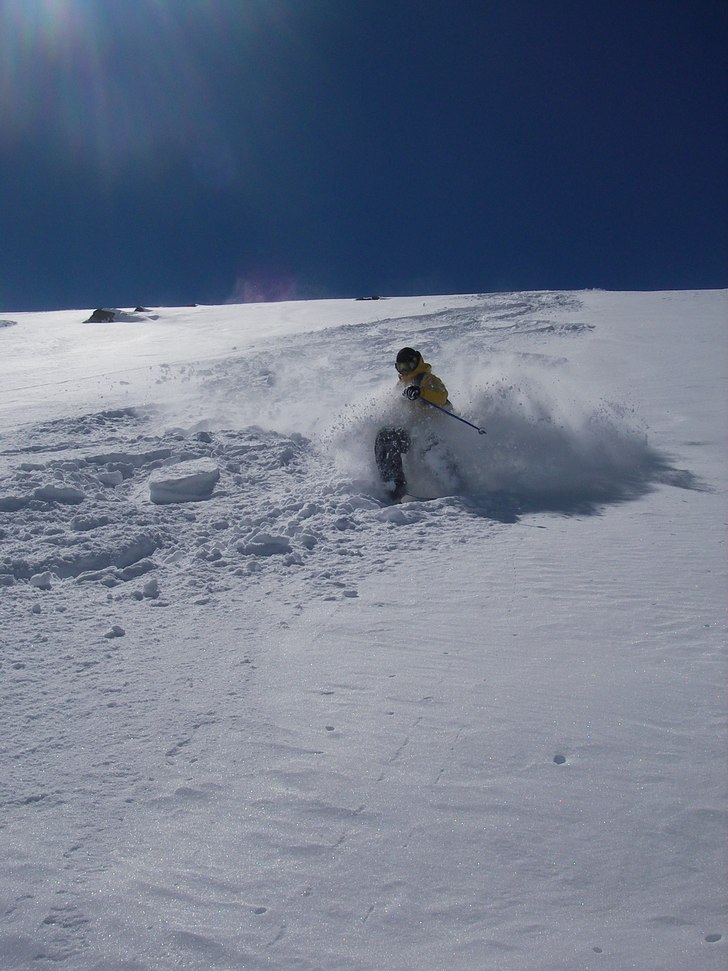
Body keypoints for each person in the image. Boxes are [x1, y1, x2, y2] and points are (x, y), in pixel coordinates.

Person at [375, 347, 451, 501]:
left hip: (435, 433)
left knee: (430, 448)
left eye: (407, 367)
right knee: (385, 436)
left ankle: (452, 486)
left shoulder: (428, 379)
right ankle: (394, 485)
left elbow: (442, 397)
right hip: (413, 433)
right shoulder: (401, 386)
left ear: (416, 363)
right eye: (400, 368)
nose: (404, 371)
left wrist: (421, 393)